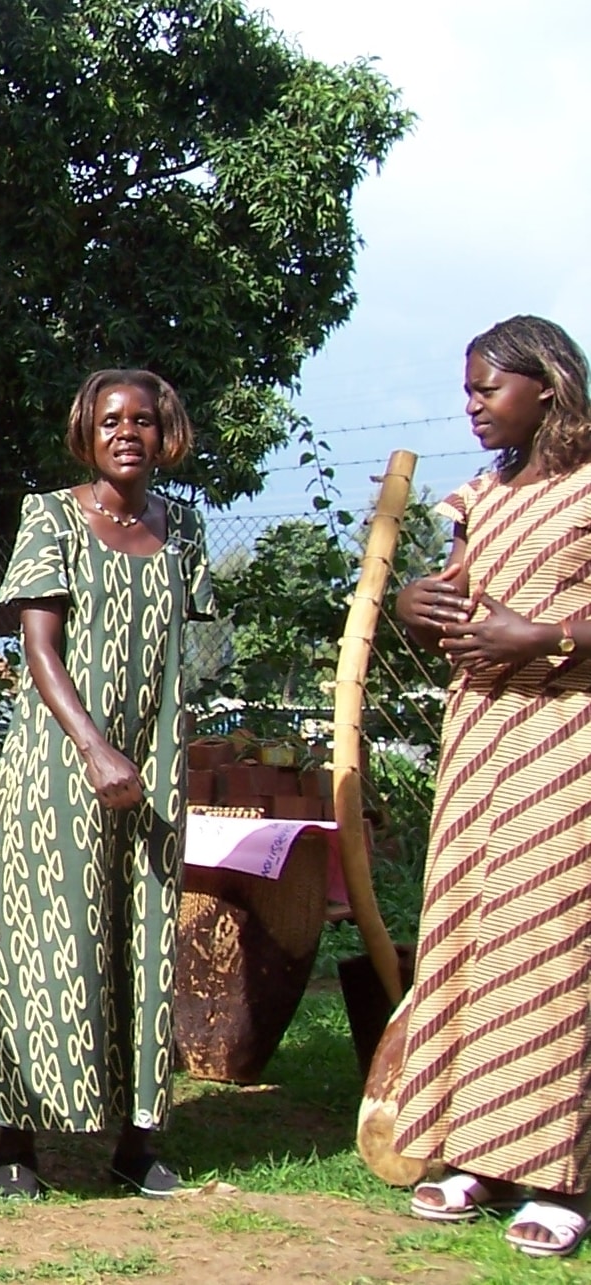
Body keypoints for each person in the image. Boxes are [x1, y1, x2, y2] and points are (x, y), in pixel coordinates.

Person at [0, 369, 213, 1200]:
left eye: (144, 421)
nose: (128, 433)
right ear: (86, 433)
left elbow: (185, 653)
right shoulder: (51, 515)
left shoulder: (182, 527)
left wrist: (157, 748)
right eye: (110, 421)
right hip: (61, 760)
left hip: (154, 759)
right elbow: (39, 648)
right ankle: (14, 1143)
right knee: (46, 936)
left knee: (144, 931)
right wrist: (94, 747)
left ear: (167, 433)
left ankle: (136, 1140)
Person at [392, 316, 591, 1258]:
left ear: (546, 385)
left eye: (487, 389)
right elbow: (458, 592)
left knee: (545, 935)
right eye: (468, 390)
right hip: (479, 735)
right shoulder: (484, 493)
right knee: (467, 924)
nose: (471, 405)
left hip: (567, 735)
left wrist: (546, 637)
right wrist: (412, 604)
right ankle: (467, 1144)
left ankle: (556, 1169)